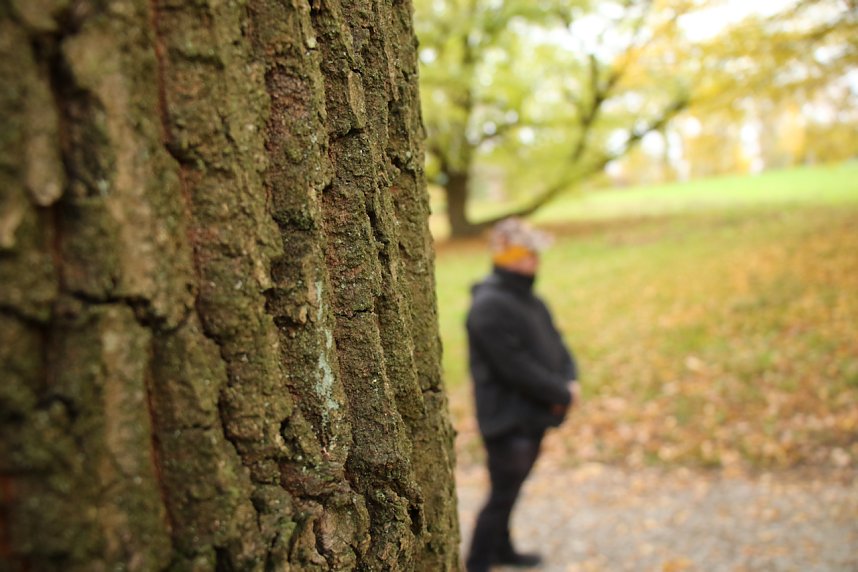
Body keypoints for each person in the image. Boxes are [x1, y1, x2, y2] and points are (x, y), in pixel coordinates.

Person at [465, 217, 579, 572]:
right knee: (501, 495)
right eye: (528, 254)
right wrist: (560, 390)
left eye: (535, 254)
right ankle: (479, 562)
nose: (535, 261)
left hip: (532, 412)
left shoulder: (530, 299)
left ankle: (503, 550)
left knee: (510, 491)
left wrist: (569, 380)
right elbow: (514, 367)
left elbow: (557, 344)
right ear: (507, 257)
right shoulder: (488, 307)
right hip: (507, 418)